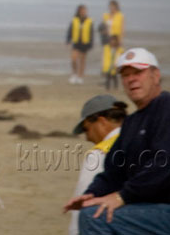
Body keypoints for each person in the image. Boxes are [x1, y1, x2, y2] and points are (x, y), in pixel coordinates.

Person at [64, 47, 170, 234]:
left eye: (138, 72)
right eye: (126, 75)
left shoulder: (168, 106)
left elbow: (166, 165)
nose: (131, 79)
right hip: (151, 209)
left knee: (94, 218)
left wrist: (122, 196)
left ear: (155, 75)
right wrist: (91, 195)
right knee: (91, 209)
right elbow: (113, 172)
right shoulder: (131, 122)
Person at [67, 95, 127, 235]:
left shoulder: (99, 154)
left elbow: (84, 205)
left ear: (102, 122)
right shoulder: (143, 141)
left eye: (87, 129)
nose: (87, 137)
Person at [66, 4, 94, 85]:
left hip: (85, 43)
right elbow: (70, 30)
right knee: (73, 59)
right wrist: (68, 39)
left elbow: (91, 33)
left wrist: (91, 44)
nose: (83, 12)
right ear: (79, 11)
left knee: (82, 61)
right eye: (82, 10)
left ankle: (80, 76)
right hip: (76, 42)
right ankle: (74, 74)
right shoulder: (75, 20)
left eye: (84, 11)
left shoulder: (89, 20)